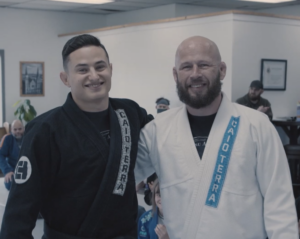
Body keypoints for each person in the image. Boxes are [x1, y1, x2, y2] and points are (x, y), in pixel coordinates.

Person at [135, 36, 298, 238]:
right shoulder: (156, 131)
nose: (195, 74)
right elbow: (118, 176)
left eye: (204, 65)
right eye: (186, 67)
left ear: (222, 70)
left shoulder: (257, 126)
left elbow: (280, 205)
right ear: (175, 74)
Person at [0, 34, 152, 239]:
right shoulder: (45, 130)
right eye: (82, 69)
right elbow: (18, 213)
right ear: (65, 78)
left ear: (111, 69)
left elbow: (163, 142)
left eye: (100, 67)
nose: (94, 75)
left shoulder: (130, 112)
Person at [0, 120, 24, 190]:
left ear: (23, 128)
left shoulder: (28, 136)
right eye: (15, 129)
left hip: (26, 167)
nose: (17, 131)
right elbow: (0, 155)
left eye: (20, 129)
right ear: (11, 129)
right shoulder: (7, 138)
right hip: (12, 169)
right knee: (10, 184)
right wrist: (7, 171)